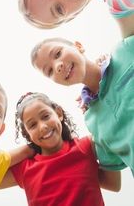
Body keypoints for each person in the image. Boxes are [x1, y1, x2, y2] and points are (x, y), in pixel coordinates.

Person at [31, 36, 134, 174]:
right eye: (49, 71)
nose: (58, 66)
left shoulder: (124, 51)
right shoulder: (92, 120)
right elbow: (112, 169)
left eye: (58, 54)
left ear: (78, 46)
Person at [0, 92, 121, 206]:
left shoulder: (87, 146)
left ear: (59, 113)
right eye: (32, 125)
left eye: (45, 116)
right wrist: (26, 150)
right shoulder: (25, 169)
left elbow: (114, 184)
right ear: (27, 133)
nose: (42, 127)